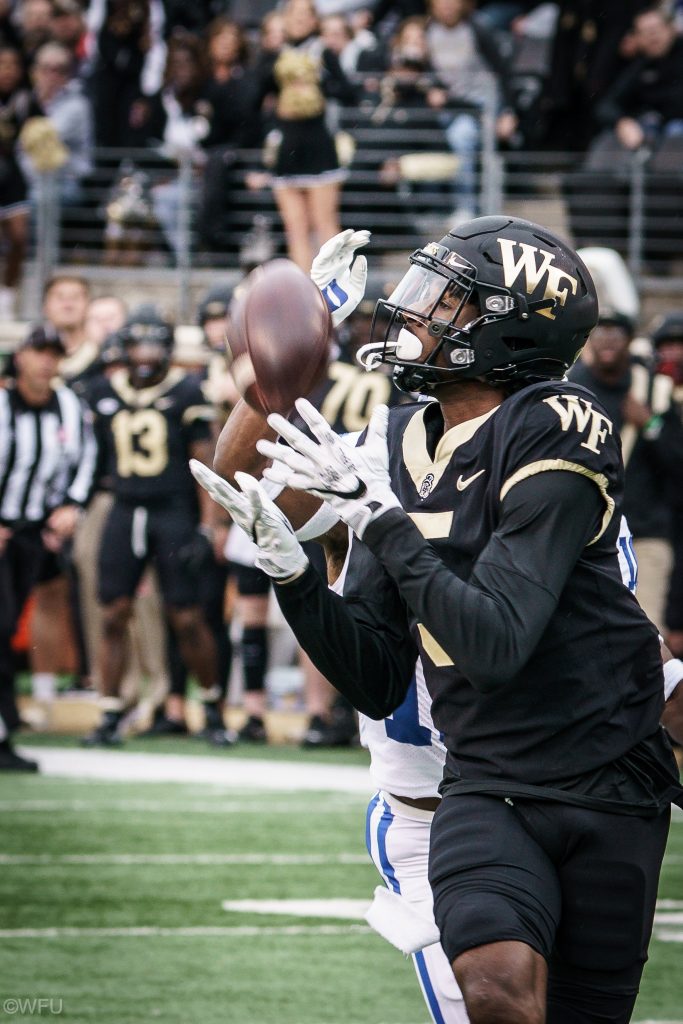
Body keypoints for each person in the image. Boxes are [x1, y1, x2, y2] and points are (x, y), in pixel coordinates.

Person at [201, 215, 683, 1023]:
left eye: (443, 301)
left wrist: (381, 521)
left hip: (579, 733)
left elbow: (632, 667)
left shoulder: (554, 434)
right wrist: (282, 369)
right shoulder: (385, 447)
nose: (411, 313)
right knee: (496, 1000)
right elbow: (240, 481)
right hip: (448, 797)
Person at [82, 305, 232, 747]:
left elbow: (204, 463)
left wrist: (209, 526)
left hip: (173, 510)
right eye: (138, 343)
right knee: (112, 611)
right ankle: (110, 712)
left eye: (154, 343)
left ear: (167, 349)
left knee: (186, 617)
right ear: (124, 348)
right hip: (124, 507)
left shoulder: (186, 393)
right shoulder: (102, 392)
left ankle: (211, 707)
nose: (146, 353)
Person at [0, 325, 97, 771]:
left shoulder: (70, 408)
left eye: (54, 354)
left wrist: (71, 506)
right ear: (20, 356)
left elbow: (87, 460)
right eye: (39, 352)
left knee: (6, 627)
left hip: (31, 533)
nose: (46, 362)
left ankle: (5, 730)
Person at [568, 309, 681, 631]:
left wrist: (651, 424)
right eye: (600, 331)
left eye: (616, 333)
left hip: (646, 531)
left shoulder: (652, 390)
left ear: (630, 341)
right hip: (588, 534)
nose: (608, 339)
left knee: (648, 632)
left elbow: (677, 461)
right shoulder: (573, 388)